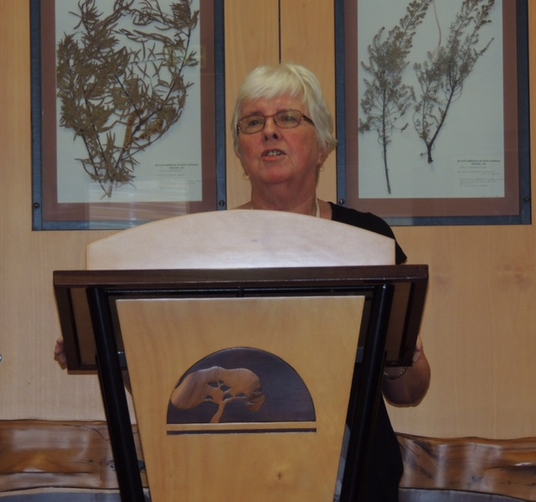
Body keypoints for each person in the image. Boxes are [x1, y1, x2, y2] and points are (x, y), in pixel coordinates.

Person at [55, 62, 431, 501]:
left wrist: (400, 352)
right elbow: (172, 389)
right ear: (240, 150)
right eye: (254, 122)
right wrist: (113, 348)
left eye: (288, 118)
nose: (269, 132)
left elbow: (409, 391)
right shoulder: (198, 247)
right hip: (224, 473)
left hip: (352, 478)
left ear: (323, 144)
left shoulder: (369, 240)